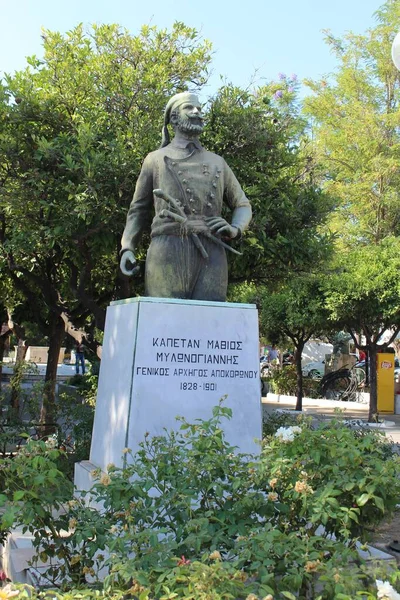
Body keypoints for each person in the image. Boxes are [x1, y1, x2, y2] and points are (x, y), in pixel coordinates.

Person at [120, 92, 252, 301]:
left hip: (212, 253)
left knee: (210, 320)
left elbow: (242, 204)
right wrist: (127, 247)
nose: (197, 112)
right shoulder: (155, 159)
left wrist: (235, 229)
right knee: (164, 318)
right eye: (189, 108)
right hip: (168, 249)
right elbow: (137, 209)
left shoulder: (218, 162)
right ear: (173, 118)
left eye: (199, 108)